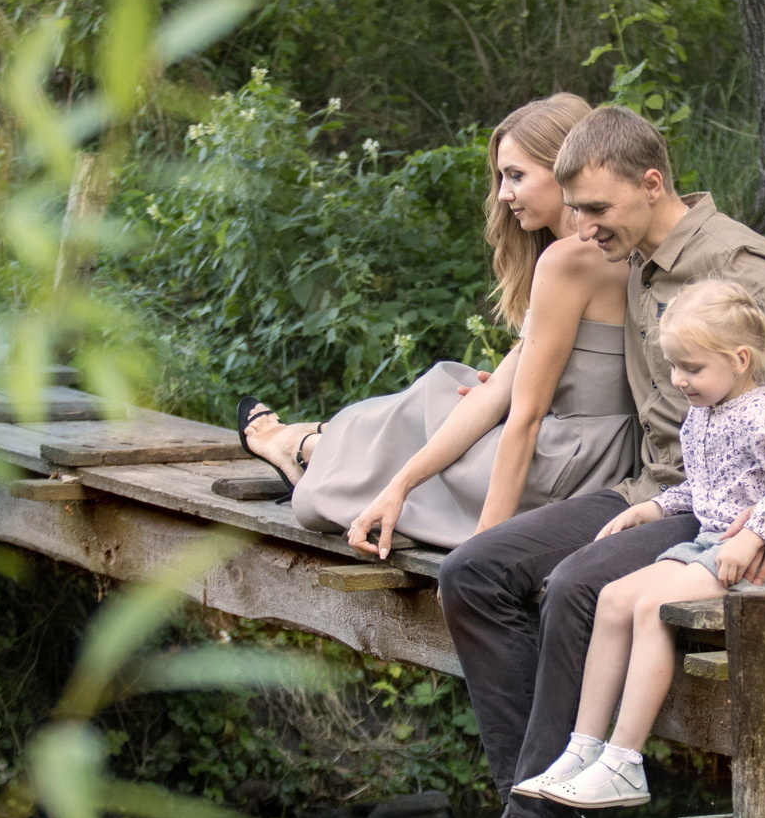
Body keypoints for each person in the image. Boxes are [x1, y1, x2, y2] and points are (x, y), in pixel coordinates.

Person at [416, 104, 765, 818]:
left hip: (723, 510)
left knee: (578, 585)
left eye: (594, 211)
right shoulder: (640, 255)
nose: (579, 228)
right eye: (575, 210)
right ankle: (562, 816)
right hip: (652, 489)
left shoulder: (732, 259)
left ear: (652, 186)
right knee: (471, 571)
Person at [237, 94, 639, 553]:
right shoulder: (623, 241)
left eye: (517, 176)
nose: (504, 193)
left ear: (565, 169)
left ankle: (304, 446)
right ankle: (312, 444)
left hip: (566, 465)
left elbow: (523, 416)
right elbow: (505, 391)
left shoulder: (572, 259)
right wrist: (402, 485)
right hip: (603, 457)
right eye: (502, 177)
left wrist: (482, 553)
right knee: (451, 389)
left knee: (406, 430)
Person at [514, 280, 765, 809]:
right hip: (712, 545)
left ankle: (624, 762)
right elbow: (712, 486)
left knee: (654, 606)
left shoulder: (762, 413)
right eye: (674, 366)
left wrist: (757, 533)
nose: (680, 380)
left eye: (692, 368)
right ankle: (583, 748)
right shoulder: (704, 415)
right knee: (614, 598)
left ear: (740, 358)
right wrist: (657, 506)